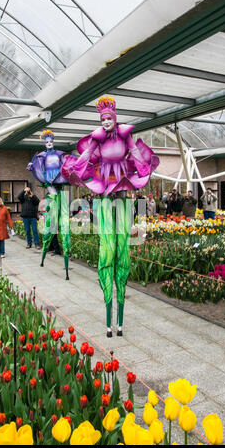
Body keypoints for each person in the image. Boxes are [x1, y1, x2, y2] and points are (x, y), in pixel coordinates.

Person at [61, 95, 159, 337]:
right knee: (107, 248)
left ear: (114, 119)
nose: (105, 122)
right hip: (105, 191)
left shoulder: (125, 135)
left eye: (108, 118)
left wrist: (143, 168)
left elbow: (135, 152)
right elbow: (86, 156)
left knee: (122, 248)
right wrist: (76, 167)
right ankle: (108, 310)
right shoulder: (98, 138)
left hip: (123, 189)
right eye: (102, 119)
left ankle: (121, 314)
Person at [27, 129, 70, 279]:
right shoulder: (42, 155)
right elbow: (38, 167)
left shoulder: (59, 154)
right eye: (47, 141)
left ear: (53, 141)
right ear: (45, 143)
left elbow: (66, 164)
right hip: (50, 181)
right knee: (52, 218)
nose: (49, 143)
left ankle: (63, 253)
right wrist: (31, 166)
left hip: (59, 180)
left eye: (51, 141)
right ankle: (46, 251)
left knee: (63, 221)